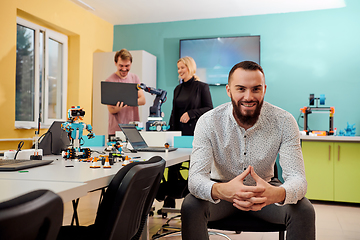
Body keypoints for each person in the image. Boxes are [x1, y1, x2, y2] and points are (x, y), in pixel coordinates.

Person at [181, 61, 315, 240]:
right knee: (190, 205)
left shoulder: (284, 121)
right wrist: (222, 190)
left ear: (264, 89)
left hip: (265, 194)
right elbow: (195, 179)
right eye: (241, 89)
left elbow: (298, 179)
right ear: (229, 91)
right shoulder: (208, 122)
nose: (248, 96)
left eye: (256, 89)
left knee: (304, 210)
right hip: (222, 194)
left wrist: (277, 193)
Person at [157, 56, 213, 212]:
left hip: (194, 135)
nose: (180, 71)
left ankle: (191, 198)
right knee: (172, 164)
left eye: (183, 67)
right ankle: (170, 196)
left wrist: (192, 113)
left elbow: (209, 108)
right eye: (178, 68)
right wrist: (168, 132)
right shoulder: (177, 89)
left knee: (191, 166)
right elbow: (174, 112)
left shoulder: (201, 87)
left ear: (190, 67)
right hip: (178, 134)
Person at [106, 49, 146, 141]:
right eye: (121, 65)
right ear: (115, 63)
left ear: (131, 64)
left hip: (133, 129)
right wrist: (119, 107)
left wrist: (127, 101)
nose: (124, 69)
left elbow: (143, 100)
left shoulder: (135, 78)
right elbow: (111, 109)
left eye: (127, 66)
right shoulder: (110, 81)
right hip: (115, 130)